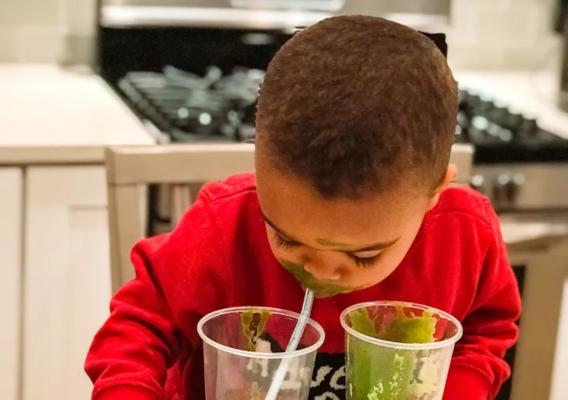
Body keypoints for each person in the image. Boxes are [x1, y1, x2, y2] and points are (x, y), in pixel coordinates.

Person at [85, 15, 521, 400]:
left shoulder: (464, 236)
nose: (323, 271)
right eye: (287, 238)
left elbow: (485, 334)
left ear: (434, 193)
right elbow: (138, 329)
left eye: (364, 255)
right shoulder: (224, 226)